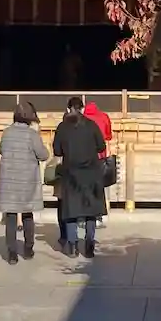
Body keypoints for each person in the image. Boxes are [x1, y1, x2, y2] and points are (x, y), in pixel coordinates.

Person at [52, 96, 107, 258]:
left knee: (71, 211)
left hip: (71, 174)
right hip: (91, 173)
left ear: (68, 109)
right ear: (82, 109)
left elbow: (57, 151)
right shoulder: (91, 125)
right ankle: (89, 245)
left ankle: (73, 246)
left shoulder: (62, 127)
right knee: (91, 211)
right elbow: (101, 146)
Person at [0, 102, 49, 264]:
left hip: (10, 180)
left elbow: (1, 150)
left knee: (11, 216)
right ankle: (28, 248)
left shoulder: (6, 133)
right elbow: (43, 155)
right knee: (27, 214)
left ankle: (12, 253)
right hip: (27, 180)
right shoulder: (32, 135)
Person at [83, 99, 114, 228]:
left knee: (85, 186)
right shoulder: (104, 117)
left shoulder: (82, 118)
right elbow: (108, 136)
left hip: (84, 157)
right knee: (98, 187)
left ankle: (84, 216)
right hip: (100, 157)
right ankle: (98, 216)